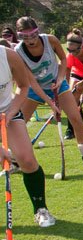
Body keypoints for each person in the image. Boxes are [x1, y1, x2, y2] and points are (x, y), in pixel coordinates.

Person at [14, 17, 83, 170]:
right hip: (35, 89)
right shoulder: (18, 52)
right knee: (19, 124)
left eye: (33, 35)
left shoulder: (51, 40)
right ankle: (15, 162)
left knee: (75, 118)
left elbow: (63, 59)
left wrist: (60, 79)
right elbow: (32, 82)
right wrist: (51, 104)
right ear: (19, 36)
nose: (30, 40)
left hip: (58, 85)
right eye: (24, 37)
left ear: (38, 31)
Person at [0, 42, 57, 227]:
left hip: (7, 110)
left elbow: (23, 86)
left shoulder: (8, 56)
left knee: (26, 159)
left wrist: (11, 111)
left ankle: (41, 209)